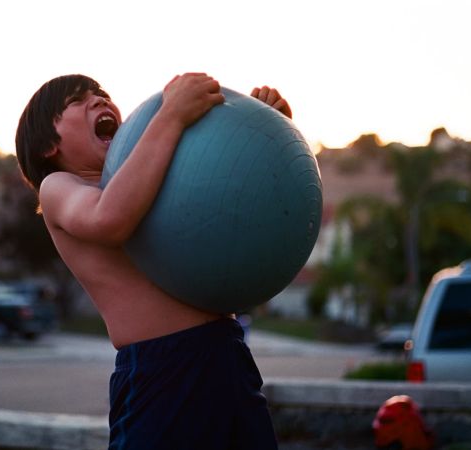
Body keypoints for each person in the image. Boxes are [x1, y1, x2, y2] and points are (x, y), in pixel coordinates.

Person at [15, 73, 291, 450]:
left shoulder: (151, 178)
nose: (98, 100)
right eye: (77, 101)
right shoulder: (60, 187)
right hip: (162, 371)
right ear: (48, 144)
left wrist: (263, 133)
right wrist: (171, 116)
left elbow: (230, 201)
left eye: (102, 94)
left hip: (226, 355)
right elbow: (108, 218)